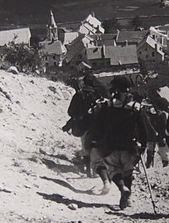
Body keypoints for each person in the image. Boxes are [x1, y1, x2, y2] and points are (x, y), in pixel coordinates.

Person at [86, 75, 149, 209]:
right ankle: (127, 197)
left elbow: (99, 125)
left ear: (114, 89)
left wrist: (96, 141)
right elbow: (144, 130)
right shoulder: (136, 108)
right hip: (130, 146)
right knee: (128, 172)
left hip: (111, 144)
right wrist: (142, 147)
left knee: (113, 170)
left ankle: (122, 189)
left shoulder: (107, 106)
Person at [63, 72, 105, 174]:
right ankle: (95, 170)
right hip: (96, 125)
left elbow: (70, 111)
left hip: (83, 124)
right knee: (94, 148)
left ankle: (87, 170)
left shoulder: (79, 94)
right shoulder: (98, 95)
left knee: (85, 147)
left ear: (84, 83)